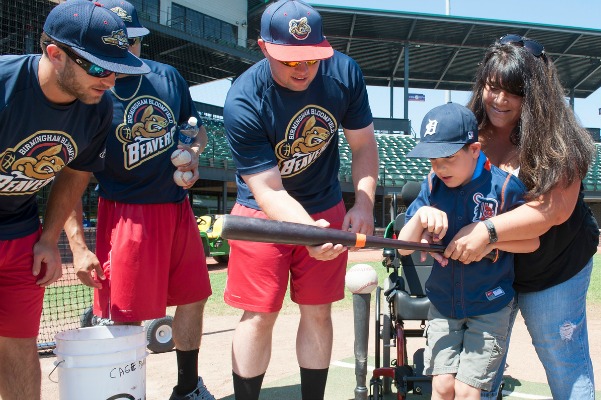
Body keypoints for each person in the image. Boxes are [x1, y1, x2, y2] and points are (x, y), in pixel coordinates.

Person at [221, 0, 378, 398]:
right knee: (258, 315)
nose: (303, 69)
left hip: (325, 203)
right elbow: (269, 190)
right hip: (263, 214)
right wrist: (309, 232)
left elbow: (363, 145)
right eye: (290, 60)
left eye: (311, 57)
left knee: (318, 311)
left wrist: (363, 203)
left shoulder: (343, 72)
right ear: (263, 47)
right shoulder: (243, 99)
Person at [63, 1, 215, 399]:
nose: (129, 51)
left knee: (194, 298)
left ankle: (186, 388)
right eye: (119, 42)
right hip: (126, 212)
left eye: (134, 41)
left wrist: (194, 154)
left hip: (176, 207)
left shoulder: (168, 77)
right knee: (125, 315)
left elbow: (193, 130)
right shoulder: (92, 90)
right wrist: (76, 245)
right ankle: (122, 391)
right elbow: (70, 178)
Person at [0, 2, 149, 399]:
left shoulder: (97, 109)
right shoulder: (4, 84)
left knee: (18, 347)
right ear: (56, 54)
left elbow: (74, 172)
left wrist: (50, 238)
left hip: (18, 231)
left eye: (117, 67)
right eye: (100, 68)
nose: (111, 80)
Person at [446, 35, 599, 400]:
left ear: (536, 93)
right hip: (492, 272)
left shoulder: (561, 135)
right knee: (474, 378)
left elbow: (554, 210)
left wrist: (487, 231)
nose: (500, 100)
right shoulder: (468, 132)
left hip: (554, 269)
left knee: (565, 364)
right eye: (492, 86)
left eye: (514, 91)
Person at [398, 102, 534, 399]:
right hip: (444, 304)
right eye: (433, 159)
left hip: (489, 306)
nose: (440, 167)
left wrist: (489, 239)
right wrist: (421, 218)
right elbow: (405, 250)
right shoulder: (432, 185)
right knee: (443, 386)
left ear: (474, 149)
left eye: (448, 157)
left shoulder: (506, 187)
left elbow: (531, 241)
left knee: (467, 391)